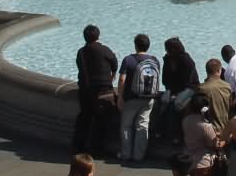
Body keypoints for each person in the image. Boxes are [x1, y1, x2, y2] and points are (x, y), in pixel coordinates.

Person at [73, 24, 119, 158]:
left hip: (86, 89)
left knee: (84, 119)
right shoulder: (105, 49)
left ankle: (78, 147)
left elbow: (79, 67)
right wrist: (111, 76)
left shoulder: (81, 52)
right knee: (101, 121)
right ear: (98, 36)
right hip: (103, 90)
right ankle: (97, 150)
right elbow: (114, 64)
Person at [118, 32, 163, 162]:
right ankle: (139, 156)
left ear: (135, 45)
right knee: (142, 126)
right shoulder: (155, 60)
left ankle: (126, 154)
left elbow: (122, 79)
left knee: (126, 126)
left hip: (131, 98)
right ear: (148, 46)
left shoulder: (128, 59)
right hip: (149, 98)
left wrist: (120, 96)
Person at [171, 94, 219, 175]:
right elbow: (213, 144)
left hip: (188, 159)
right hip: (203, 162)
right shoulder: (206, 125)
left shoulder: (186, 120)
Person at [198, 58, 235, 134]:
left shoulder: (201, 88)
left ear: (207, 71)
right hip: (226, 130)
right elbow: (232, 107)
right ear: (219, 71)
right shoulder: (227, 87)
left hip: (209, 131)